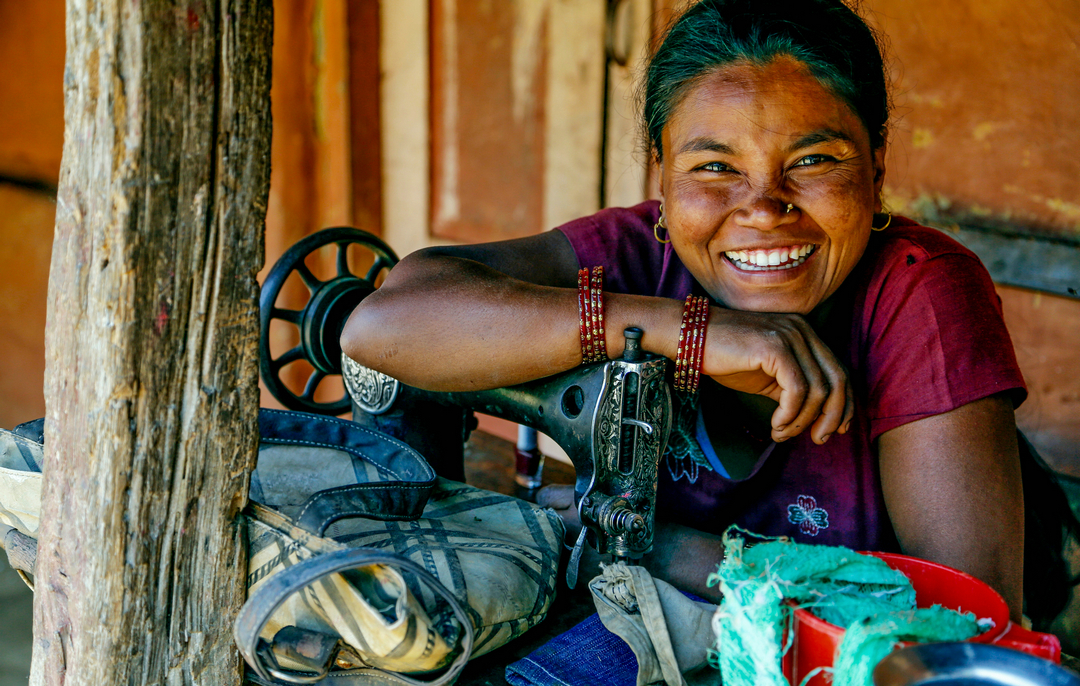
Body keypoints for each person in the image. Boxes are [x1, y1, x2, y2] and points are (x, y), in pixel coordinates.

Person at [343, 0, 1031, 621]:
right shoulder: (637, 257)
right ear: (661, 174)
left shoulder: (921, 293)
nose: (764, 207)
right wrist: (681, 332)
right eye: (714, 167)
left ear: (877, 168)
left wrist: (663, 550)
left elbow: (969, 617)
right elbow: (382, 324)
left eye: (815, 159)